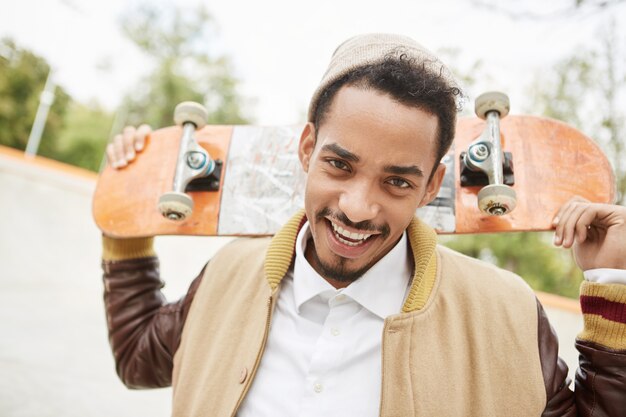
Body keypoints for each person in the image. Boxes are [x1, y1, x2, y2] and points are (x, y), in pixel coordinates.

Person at [102, 34, 626, 416]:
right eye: (340, 165)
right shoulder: (230, 275)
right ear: (307, 149)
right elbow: (138, 360)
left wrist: (613, 283)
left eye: (396, 183)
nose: (357, 208)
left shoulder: (503, 312)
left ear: (430, 185)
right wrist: (125, 218)